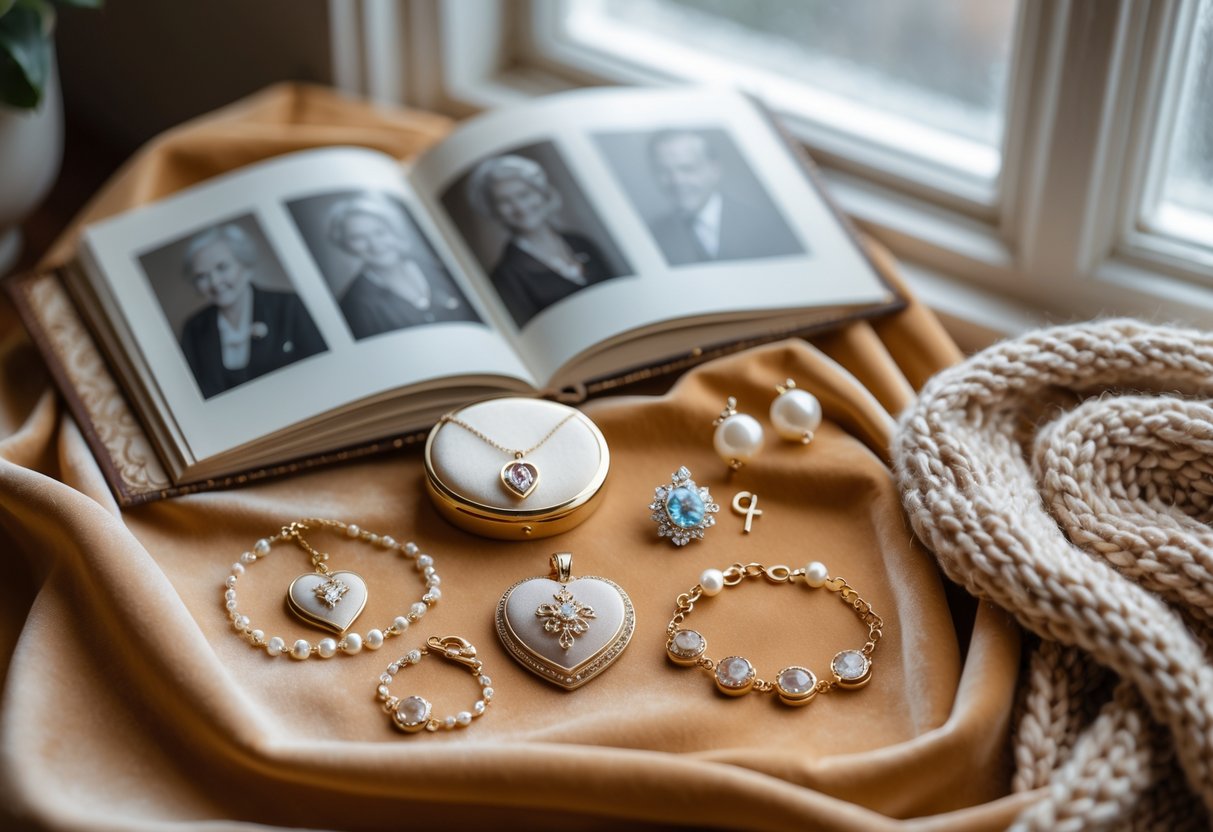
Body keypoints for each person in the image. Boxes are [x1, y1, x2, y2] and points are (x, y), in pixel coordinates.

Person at [178, 224, 326, 398]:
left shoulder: (289, 307)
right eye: (202, 276)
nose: (215, 282)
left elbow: (321, 373)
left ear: (245, 264)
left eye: (222, 267)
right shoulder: (193, 329)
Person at [468, 154, 615, 329]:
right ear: (493, 210)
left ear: (541, 193)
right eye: (504, 201)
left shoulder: (581, 243)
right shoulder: (506, 275)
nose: (520, 208)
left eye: (524, 195)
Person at [326, 195, 479, 339]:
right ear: (344, 244)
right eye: (358, 238)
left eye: (379, 232)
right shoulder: (354, 304)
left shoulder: (441, 269)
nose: (375, 245)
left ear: (393, 231)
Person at [646, 129, 802, 266]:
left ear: (714, 169)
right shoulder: (653, 235)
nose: (677, 181)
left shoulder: (765, 226)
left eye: (687, 169)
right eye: (663, 171)